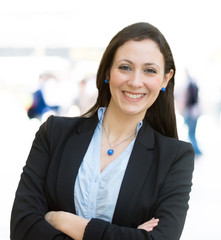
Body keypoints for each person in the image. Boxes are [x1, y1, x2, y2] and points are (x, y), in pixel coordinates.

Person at [10, 22, 195, 240]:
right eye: (125, 67)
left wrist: (68, 222)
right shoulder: (53, 133)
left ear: (165, 79)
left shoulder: (175, 157)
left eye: (150, 70)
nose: (135, 81)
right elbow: (23, 226)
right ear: (107, 71)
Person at [183, 69, 202, 156]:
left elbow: (191, 99)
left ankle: (196, 150)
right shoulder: (193, 84)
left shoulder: (190, 84)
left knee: (191, 132)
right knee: (191, 132)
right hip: (193, 111)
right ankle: (196, 150)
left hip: (191, 111)